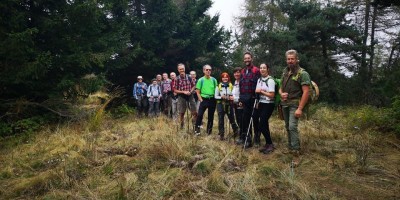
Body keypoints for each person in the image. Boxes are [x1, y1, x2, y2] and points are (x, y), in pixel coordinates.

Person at [279, 49, 311, 166]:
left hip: (295, 105)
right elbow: (280, 87)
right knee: (287, 126)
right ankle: (290, 147)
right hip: (285, 104)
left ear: (297, 59)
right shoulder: (285, 71)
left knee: (292, 127)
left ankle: (296, 154)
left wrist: (300, 108)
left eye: (292, 59)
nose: (290, 61)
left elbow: (306, 92)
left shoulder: (303, 73)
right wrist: (281, 93)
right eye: (288, 59)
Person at [236, 52, 260, 148]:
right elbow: (241, 86)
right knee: (246, 119)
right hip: (245, 99)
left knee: (255, 120)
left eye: (248, 58)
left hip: (253, 98)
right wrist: (241, 99)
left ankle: (257, 139)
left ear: (252, 59)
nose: (247, 60)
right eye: (245, 58)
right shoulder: (242, 71)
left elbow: (259, 85)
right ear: (244, 60)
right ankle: (248, 139)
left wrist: (257, 99)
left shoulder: (256, 70)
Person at [255, 63, 276, 154]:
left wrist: (262, 92)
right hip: (261, 103)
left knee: (261, 125)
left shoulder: (270, 80)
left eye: (264, 68)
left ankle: (270, 143)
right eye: (261, 68)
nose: (262, 69)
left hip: (269, 104)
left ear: (268, 69)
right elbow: (256, 90)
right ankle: (267, 144)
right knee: (265, 124)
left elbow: (272, 95)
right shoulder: (259, 79)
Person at [172, 63, 197, 129]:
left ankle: (195, 126)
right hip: (181, 97)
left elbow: (194, 86)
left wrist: (190, 91)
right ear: (178, 70)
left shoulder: (189, 77)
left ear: (184, 69)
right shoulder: (176, 79)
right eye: (180, 69)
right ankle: (181, 126)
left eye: (182, 69)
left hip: (190, 96)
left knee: (194, 112)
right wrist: (183, 92)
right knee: (181, 113)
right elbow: (175, 90)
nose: (181, 70)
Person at [215, 72, 239, 140]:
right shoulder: (218, 85)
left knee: (231, 118)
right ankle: (221, 134)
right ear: (221, 78)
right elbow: (215, 96)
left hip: (229, 104)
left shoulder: (231, 85)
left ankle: (236, 131)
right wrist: (221, 97)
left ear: (228, 78)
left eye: (226, 77)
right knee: (221, 119)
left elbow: (234, 94)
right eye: (223, 77)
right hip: (220, 104)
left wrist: (230, 97)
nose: (225, 78)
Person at [194, 65, 217, 136]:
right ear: (203, 71)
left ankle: (209, 132)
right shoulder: (201, 80)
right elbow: (197, 91)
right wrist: (201, 100)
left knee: (211, 116)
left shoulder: (214, 80)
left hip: (212, 99)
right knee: (199, 115)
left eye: (210, 70)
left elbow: (216, 90)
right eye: (206, 70)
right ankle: (197, 131)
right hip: (203, 99)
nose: (208, 71)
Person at [232, 67, 242, 139]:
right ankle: (241, 134)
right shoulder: (235, 82)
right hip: (235, 103)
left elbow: (243, 94)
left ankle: (243, 136)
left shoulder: (242, 82)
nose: (236, 74)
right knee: (238, 119)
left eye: (238, 72)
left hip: (241, 103)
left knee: (241, 119)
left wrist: (235, 98)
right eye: (235, 72)